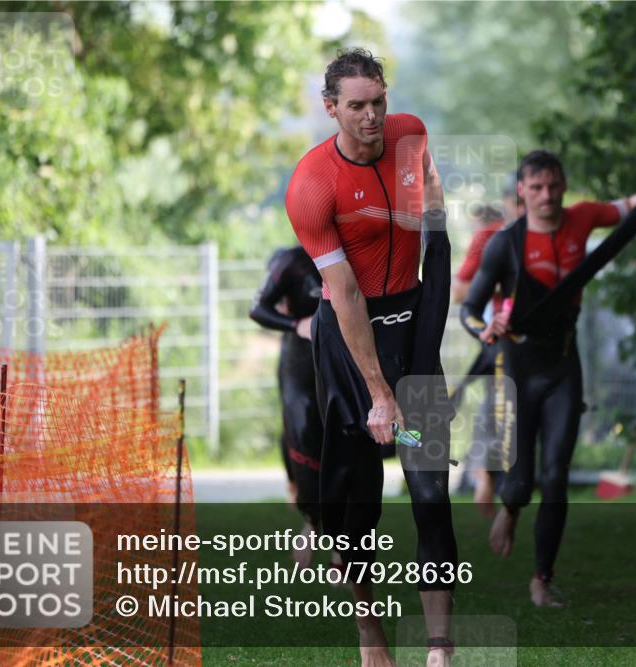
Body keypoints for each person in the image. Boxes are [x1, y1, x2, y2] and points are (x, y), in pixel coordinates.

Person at [285, 48, 456, 667]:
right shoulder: (311, 185)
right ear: (330, 109)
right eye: (356, 106)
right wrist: (381, 393)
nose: (372, 116)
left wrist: (424, 359)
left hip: (414, 328)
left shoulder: (410, 137)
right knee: (355, 508)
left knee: (431, 491)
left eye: (378, 101)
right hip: (350, 346)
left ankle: (440, 648)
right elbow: (347, 293)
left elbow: (433, 238)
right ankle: (370, 632)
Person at [460, 149, 636, 608]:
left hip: (564, 364)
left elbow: (632, 206)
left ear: (563, 187)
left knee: (556, 475)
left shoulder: (582, 218)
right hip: (515, 366)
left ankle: (542, 579)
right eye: (536, 188)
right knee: (520, 483)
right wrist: (484, 328)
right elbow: (467, 308)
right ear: (521, 192)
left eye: (553, 186)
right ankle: (510, 507)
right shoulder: (505, 243)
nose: (546, 196)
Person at [248, 245, 326, 569]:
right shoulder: (290, 262)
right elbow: (259, 309)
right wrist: (296, 324)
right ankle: (310, 517)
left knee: (345, 442)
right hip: (300, 361)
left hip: (343, 358)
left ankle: (344, 545)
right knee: (300, 432)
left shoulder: (354, 249)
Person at [450, 180, 525, 514]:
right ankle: (484, 474)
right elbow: (461, 292)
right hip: (499, 337)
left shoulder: (494, 235)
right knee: (496, 403)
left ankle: (486, 473)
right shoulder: (492, 237)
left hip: (528, 340)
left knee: (505, 407)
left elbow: (460, 291)